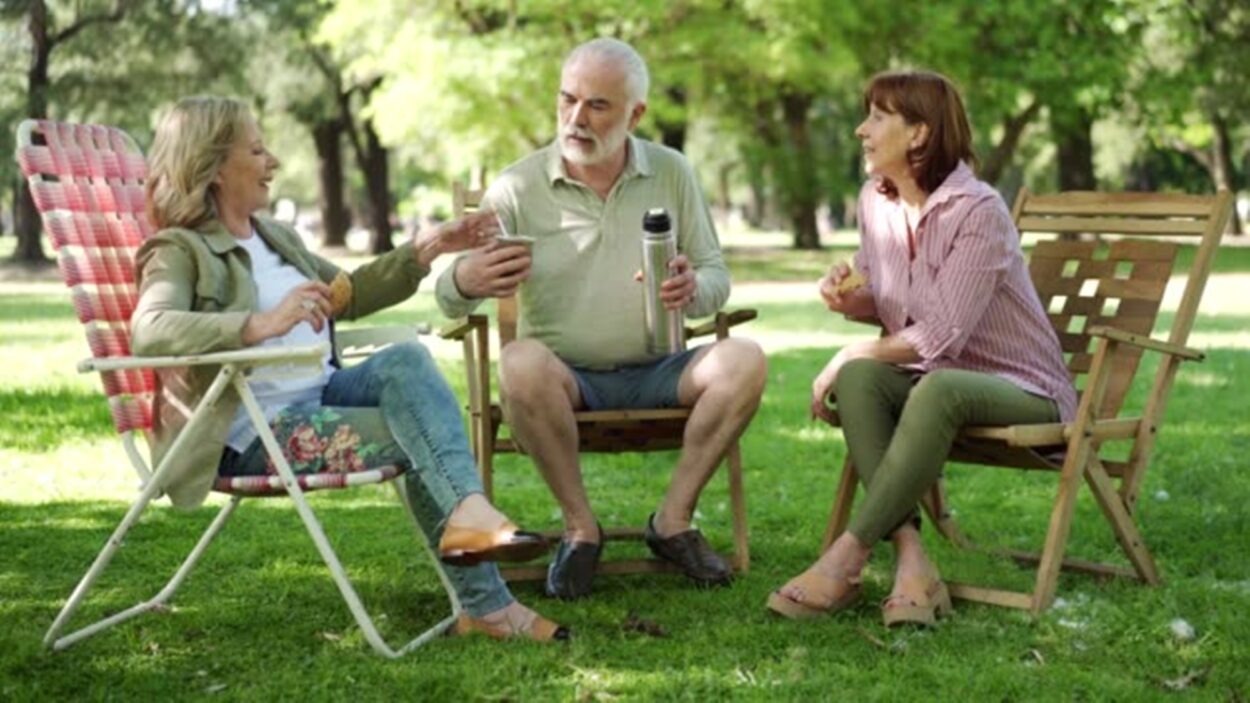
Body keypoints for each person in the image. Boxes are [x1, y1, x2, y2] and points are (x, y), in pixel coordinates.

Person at [131, 96, 567, 642]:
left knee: (407, 361)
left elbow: (347, 294)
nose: (273, 162)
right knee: (417, 431)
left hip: (323, 396)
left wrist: (427, 247)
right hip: (257, 434)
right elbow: (149, 328)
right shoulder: (179, 249)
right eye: (259, 149)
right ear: (215, 166)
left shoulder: (274, 236)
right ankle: (488, 602)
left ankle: (474, 531)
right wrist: (258, 324)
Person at [435, 38, 767, 599]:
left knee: (746, 360)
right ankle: (580, 529)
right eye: (567, 100)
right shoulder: (517, 186)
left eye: (597, 106)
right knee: (518, 361)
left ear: (635, 114)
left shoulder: (671, 171)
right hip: (567, 381)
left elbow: (716, 277)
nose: (575, 119)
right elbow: (448, 298)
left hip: (663, 367)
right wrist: (467, 279)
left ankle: (673, 521)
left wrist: (693, 287)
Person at [766, 71, 1078, 626]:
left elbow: (942, 334)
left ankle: (846, 557)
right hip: (935, 380)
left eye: (877, 117)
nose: (862, 130)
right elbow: (895, 303)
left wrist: (846, 352)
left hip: (1024, 389)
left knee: (911, 379)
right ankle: (912, 560)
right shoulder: (875, 201)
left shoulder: (977, 210)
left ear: (919, 134)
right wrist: (848, 299)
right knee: (863, 380)